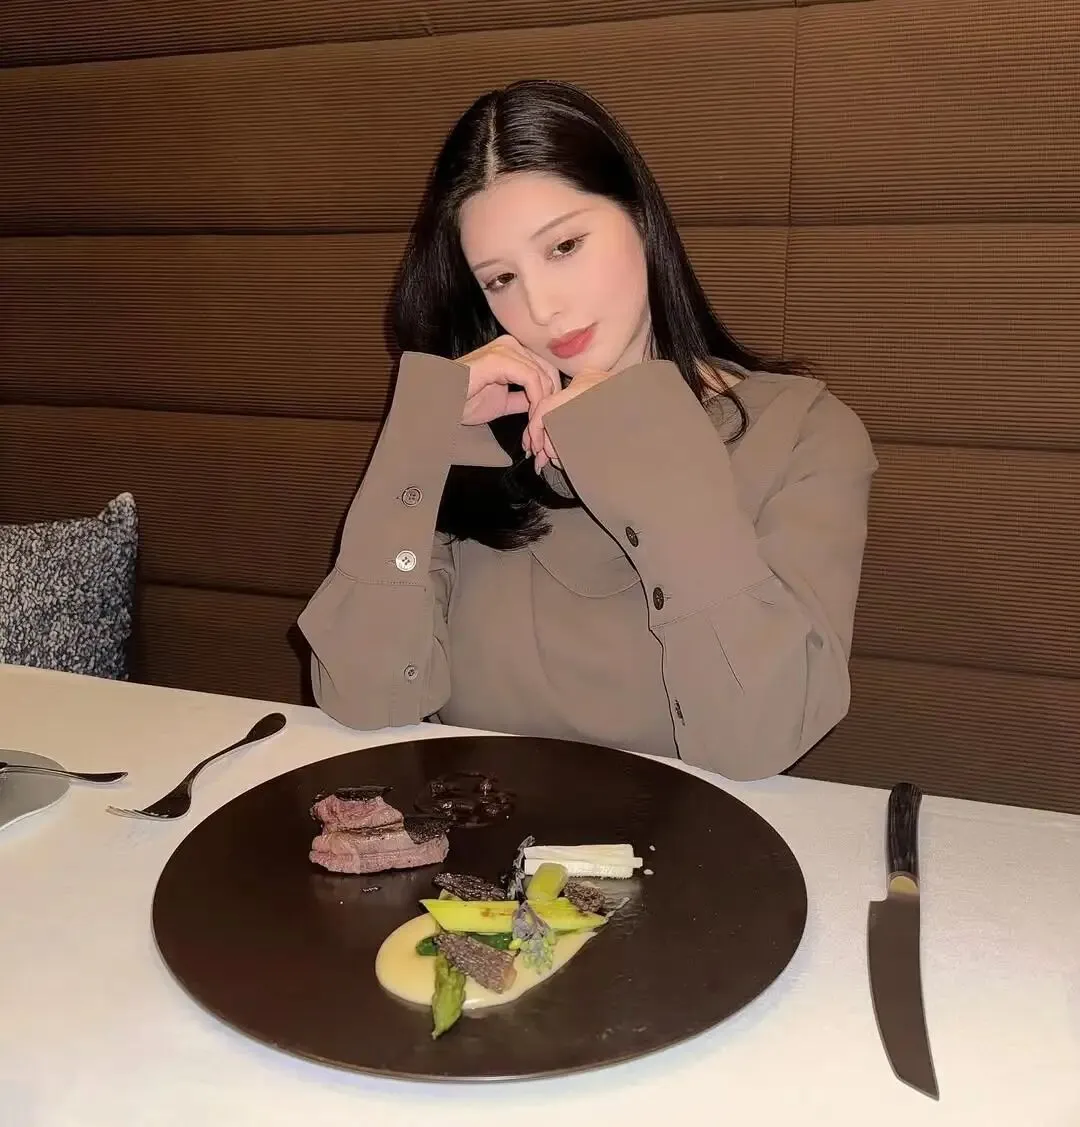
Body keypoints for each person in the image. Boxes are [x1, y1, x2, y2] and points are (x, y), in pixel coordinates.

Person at [297, 79, 878, 781]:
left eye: (565, 245)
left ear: (640, 218)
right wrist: (414, 445)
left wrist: (647, 451)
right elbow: (365, 699)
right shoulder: (475, 436)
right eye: (500, 279)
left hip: (697, 844)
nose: (542, 307)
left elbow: (761, 737)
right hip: (475, 845)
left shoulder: (802, 433)